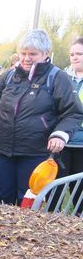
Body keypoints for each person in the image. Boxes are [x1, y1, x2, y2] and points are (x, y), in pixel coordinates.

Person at [0, 29, 83, 205]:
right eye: (23, 53)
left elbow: (73, 112)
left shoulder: (58, 78)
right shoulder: (6, 77)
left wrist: (60, 134)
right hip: (3, 152)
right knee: (4, 200)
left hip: (35, 153)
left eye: (33, 54)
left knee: (28, 202)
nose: (26, 58)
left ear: (46, 53)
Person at [50, 37, 83, 212]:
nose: (75, 57)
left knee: (80, 194)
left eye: (79, 54)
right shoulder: (61, 77)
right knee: (55, 189)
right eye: (72, 54)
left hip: (82, 146)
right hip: (61, 144)